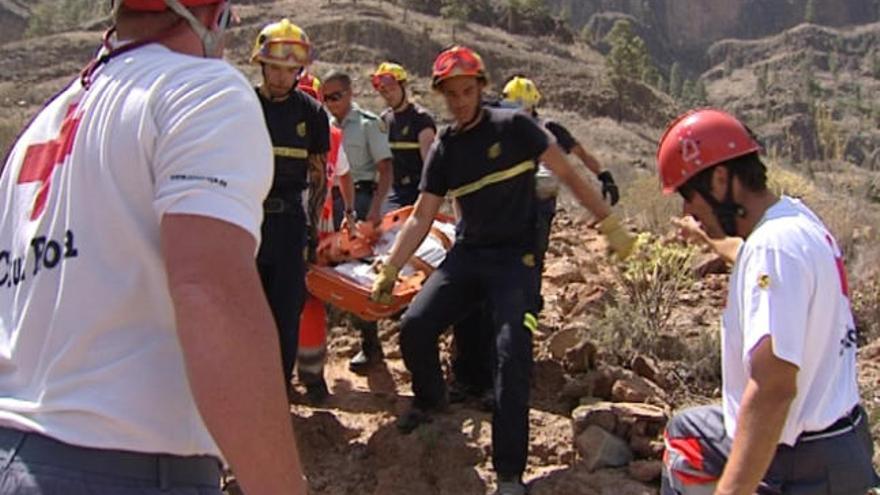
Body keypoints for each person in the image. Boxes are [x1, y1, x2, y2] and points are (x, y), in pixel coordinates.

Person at [0, 1, 307, 494]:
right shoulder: (202, 92)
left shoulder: (43, 126)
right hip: (128, 465)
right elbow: (211, 296)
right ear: (214, 17)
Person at [370, 46, 636, 495]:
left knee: (512, 357)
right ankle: (433, 401)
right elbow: (421, 215)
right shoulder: (447, 148)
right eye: (450, 93)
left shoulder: (516, 127)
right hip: (469, 255)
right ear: (440, 94)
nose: (459, 101)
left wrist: (609, 224)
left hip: (516, 260)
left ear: (481, 88)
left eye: (467, 90)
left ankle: (510, 475)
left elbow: (568, 176)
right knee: (415, 326)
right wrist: (391, 268)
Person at [656, 108, 878, 495]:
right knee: (687, 432)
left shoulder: (771, 248)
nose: (687, 212)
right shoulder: (794, 220)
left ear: (721, 180)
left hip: (803, 460)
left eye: (689, 198)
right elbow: (746, 257)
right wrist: (707, 239)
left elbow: (773, 387)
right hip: (838, 439)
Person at [250, 19, 331, 398]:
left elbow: (318, 175)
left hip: (288, 224)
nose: (282, 78)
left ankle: (277, 394)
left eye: (290, 70)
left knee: (285, 313)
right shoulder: (242, 105)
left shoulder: (312, 114)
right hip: (246, 221)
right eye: (275, 68)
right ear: (261, 65)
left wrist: (312, 232)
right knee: (243, 312)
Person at [321, 69, 394, 371]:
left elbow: (385, 168)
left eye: (336, 96)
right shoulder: (322, 126)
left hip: (361, 199)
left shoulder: (367, 125)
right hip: (329, 200)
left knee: (355, 274)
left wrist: (375, 209)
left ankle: (370, 344)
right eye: (326, 98)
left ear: (350, 94)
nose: (331, 103)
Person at [296, 72, 356, 403]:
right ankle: (310, 376)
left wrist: (349, 210)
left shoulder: (330, 136)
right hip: (306, 229)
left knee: (302, 301)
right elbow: (344, 176)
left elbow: (344, 175)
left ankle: (306, 374)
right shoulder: (331, 135)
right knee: (307, 301)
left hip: (311, 231)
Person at [371, 62, 436, 210]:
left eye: (392, 89)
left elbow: (430, 166)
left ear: (403, 86)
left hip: (417, 192)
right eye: (383, 91)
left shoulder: (421, 119)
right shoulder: (384, 119)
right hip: (393, 192)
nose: (388, 94)